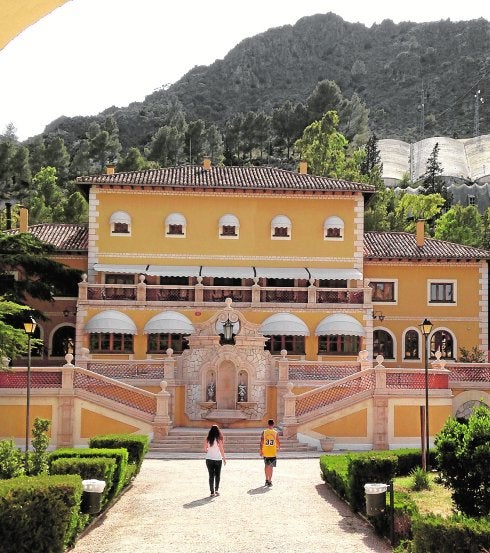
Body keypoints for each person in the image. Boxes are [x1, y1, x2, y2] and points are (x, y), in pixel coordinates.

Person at [204, 424, 226, 496]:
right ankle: (216, 490)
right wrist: (224, 458)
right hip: (218, 459)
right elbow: (221, 449)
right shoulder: (219, 439)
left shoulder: (208, 439)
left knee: (211, 476)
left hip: (209, 458)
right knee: (217, 475)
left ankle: (212, 492)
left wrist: (209, 451)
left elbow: (205, 449)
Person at [260, 418, 280, 487]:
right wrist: (278, 447)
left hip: (265, 451)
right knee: (271, 467)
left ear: (268, 424)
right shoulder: (275, 433)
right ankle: (270, 481)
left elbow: (261, 442)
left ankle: (266, 479)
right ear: (273, 424)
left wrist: (261, 450)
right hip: (272, 452)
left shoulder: (264, 432)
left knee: (266, 466)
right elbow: (277, 441)